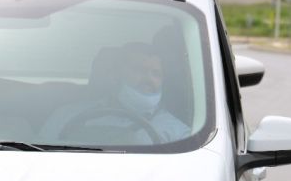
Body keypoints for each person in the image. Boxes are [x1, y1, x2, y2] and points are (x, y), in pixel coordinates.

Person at [40, 42, 190, 144]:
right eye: (139, 70)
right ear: (115, 75)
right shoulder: (67, 114)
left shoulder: (178, 133)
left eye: (156, 73)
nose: (148, 78)